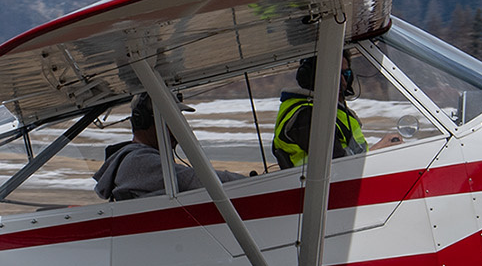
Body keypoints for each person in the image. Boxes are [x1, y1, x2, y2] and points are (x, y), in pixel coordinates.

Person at [95, 93, 251, 200]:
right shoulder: (139, 161)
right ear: (143, 121)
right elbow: (197, 181)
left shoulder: (139, 158)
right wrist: (249, 183)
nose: (176, 130)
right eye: (169, 122)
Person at [272, 55, 396, 168]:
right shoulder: (308, 116)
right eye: (334, 74)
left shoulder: (328, 110)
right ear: (313, 77)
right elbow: (337, 165)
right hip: (320, 188)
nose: (342, 81)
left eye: (346, 74)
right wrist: (378, 149)